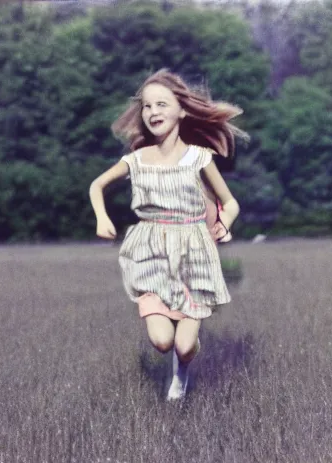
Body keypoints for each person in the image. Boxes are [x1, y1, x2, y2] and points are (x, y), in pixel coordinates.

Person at [89, 69, 247, 400]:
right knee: (162, 341)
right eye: (147, 106)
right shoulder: (137, 159)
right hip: (150, 253)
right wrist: (102, 217)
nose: (153, 112)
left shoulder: (198, 157)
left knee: (185, 345)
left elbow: (230, 203)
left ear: (182, 110)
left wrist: (224, 223)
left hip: (193, 254)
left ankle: (183, 370)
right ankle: (174, 351)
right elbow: (97, 184)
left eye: (161, 104)